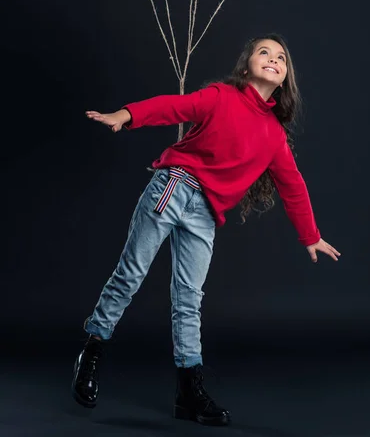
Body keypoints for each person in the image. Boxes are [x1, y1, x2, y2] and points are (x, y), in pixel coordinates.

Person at [71, 33, 341, 426]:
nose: (272, 59)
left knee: (189, 299)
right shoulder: (221, 96)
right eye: (263, 52)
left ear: (283, 78)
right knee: (130, 275)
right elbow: (174, 107)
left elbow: (293, 185)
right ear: (247, 65)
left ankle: (188, 390)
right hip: (175, 187)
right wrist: (125, 115)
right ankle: (91, 351)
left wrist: (310, 235)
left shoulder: (274, 135)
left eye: (280, 57)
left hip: (206, 212)